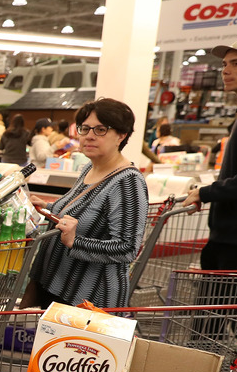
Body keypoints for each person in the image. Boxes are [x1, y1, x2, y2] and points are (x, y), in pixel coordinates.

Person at [27, 98, 147, 308]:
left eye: (101, 129)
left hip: (87, 300)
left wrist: (77, 242)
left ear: (121, 135)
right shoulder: (88, 169)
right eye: (85, 129)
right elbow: (80, 213)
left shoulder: (128, 182)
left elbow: (127, 248)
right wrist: (47, 207)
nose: (89, 136)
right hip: (55, 284)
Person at [183, 36, 237, 270]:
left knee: (222, 307)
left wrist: (206, 192)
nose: (226, 70)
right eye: (224, 64)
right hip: (229, 238)